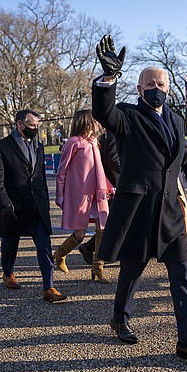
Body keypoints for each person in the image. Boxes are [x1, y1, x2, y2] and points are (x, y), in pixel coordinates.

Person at [92, 35, 187, 366]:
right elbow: (104, 113)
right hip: (138, 212)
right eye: (150, 83)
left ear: (168, 87)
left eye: (161, 83)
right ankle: (119, 318)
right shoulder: (127, 116)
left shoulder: (176, 119)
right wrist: (107, 79)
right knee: (132, 272)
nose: (156, 87)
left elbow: (184, 156)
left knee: (182, 277)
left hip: (170, 214)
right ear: (139, 88)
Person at [0, 109, 66, 302]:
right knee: (10, 243)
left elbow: (38, 176)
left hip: (37, 204)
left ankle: (48, 287)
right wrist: (4, 203)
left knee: (44, 245)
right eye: (32, 125)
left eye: (37, 125)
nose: (35, 128)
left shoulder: (38, 146)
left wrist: (45, 202)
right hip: (13, 204)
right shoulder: (1, 147)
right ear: (19, 124)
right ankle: (8, 273)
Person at [53, 109, 114, 284]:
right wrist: (60, 195)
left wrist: (109, 186)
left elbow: (98, 169)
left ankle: (98, 267)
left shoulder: (95, 142)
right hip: (80, 194)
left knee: (102, 229)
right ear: (86, 122)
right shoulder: (74, 142)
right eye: (95, 120)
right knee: (79, 234)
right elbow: (62, 171)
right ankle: (59, 254)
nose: (98, 123)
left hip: (98, 193)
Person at [77, 128, 120, 266]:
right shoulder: (113, 134)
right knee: (114, 223)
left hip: (110, 183)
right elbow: (112, 161)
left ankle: (90, 249)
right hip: (114, 184)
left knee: (113, 222)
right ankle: (89, 249)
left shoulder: (109, 134)